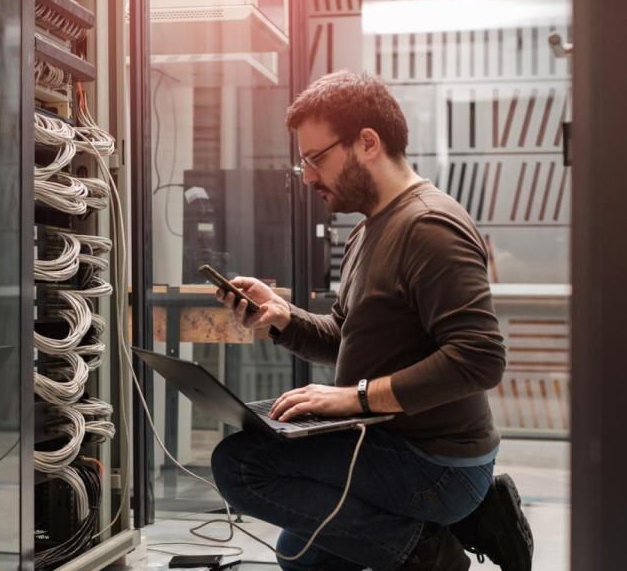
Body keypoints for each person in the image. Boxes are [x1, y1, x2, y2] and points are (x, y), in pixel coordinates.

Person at [211, 71, 534, 571]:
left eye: (315, 158)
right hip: (393, 441)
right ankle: (452, 525)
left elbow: (480, 359)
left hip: (438, 462)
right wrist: (282, 317)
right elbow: (347, 335)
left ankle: (432, 553)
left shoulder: (428, 226)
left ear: (367, 142)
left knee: (242, 464)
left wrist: (353, 398)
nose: (308, 177)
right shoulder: (368, 230)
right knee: (299, 556)